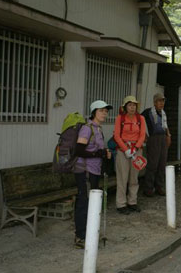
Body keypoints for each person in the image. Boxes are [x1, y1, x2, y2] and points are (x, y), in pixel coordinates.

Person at [73, 100, 112, 249]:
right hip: (85, 171)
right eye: (101, 110)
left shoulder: (98, 129)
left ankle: (88, 233)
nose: (104, 113)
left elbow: (96, 150)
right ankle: (80, 237)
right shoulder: (87, 128)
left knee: (91, 203)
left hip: (94, 171)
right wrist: (99, 153)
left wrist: (105, 154)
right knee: (84, 202)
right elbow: (79, 150)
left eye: (106, 111)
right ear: (94, 112)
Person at [114, 96, 146, 215]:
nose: (132, 107)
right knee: (122, 177)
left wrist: (136, 147)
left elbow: (142, 135)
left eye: (134, 105)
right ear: (125, 106)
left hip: (136, 150)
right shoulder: (120, 118)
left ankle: (132, 202)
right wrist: (126, 149)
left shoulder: (141, 118)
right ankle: (121, 204)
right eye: (130, 105)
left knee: (134, 177)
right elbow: (117, 135)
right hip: (123, 150)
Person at [141, 93, 171, 197]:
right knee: (152, 164)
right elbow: (139, 121)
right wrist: (143, 134)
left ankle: (159, 186)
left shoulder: (163, 113)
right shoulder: (147, 112)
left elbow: (165, 126)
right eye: (159, 101)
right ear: (154, 102)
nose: (161, 103)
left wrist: (168, 135)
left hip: (163, 138)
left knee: (162, 163)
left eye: (163, 101)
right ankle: (148, 188)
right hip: (153, 139)